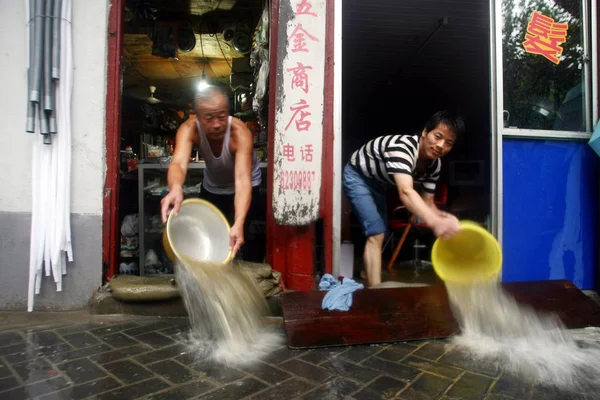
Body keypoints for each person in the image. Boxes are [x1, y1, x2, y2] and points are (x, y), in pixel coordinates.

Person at [343, 110, 464, 287]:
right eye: (437, 136)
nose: (440, 145)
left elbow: (428, 201)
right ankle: (375, 293)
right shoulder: (402, 147)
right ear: (424, 132)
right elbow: (406, 192)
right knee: (376, 232)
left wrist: (443, 217)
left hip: (380, 184)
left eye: (448, 143)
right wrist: (435, 222)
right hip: (358, 176)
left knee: (380, 230)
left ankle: (366, 271)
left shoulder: (435, 165)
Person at [161, 85, 262, 260]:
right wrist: (176, 188)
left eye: (221, 117)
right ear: (198, 117)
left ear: (228, 113)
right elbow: (178, 163)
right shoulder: (189, 129)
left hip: (246, 185)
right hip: (213, 186)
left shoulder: (240, 133)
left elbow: (242, 180)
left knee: (239, 238)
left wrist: (239, 221)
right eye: (209, 118)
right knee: (207, 233)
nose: (216, 124)